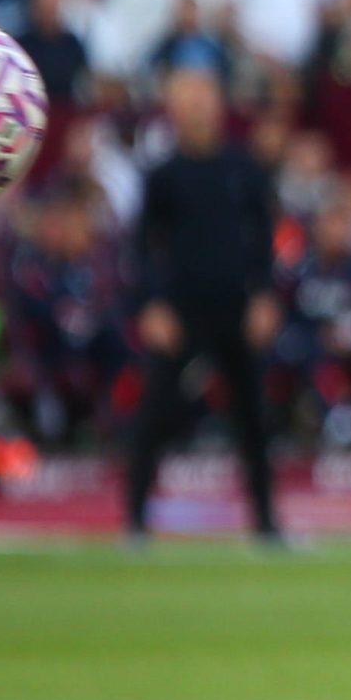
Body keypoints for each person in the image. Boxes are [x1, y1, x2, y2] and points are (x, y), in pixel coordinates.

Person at [123, 66, 284, 543]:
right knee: (155, 412)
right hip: (180, 309)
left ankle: (267, 522)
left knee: (253, 417)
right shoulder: (162, 175)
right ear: (171, 108)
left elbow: (265, 241)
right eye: (186, 97)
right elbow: (140, 247)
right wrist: (151, 305)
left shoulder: (244, 169)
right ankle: (134, 522)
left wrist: (265, 296)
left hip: (237, 306)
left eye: (204, 95)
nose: (196, 106)